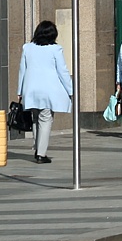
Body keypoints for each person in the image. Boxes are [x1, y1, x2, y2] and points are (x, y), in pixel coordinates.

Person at [17, 21, 74, 163]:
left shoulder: (27, 48)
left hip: (30, 90)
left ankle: (37, 148)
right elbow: (63, 72)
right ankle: (41, 154)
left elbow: (22, 71)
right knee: (46, 119)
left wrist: (20, 90)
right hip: (48, 91)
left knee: (36, 119)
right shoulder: (55, 49)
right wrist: (71, 90)